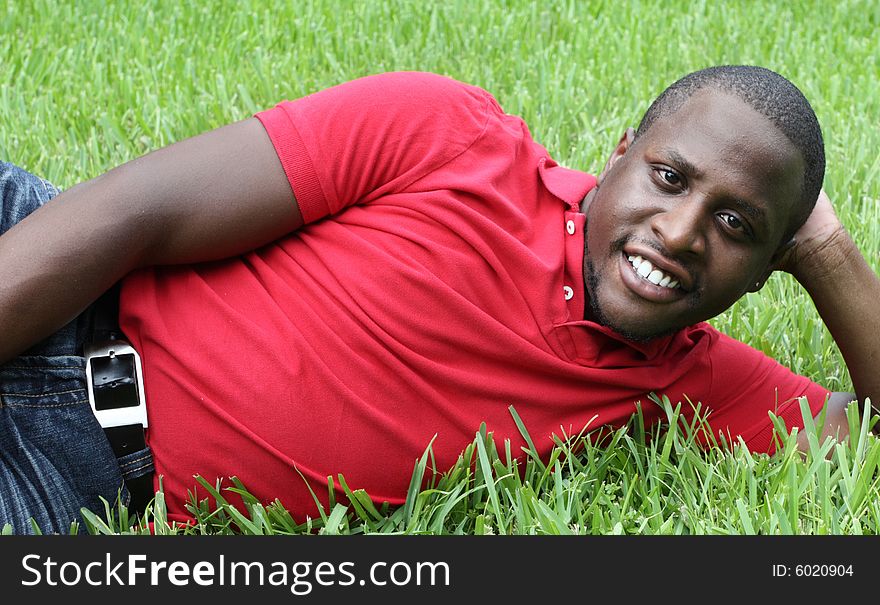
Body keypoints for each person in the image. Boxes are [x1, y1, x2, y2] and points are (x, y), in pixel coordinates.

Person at [0, 65, 874, 535]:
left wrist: (830, 251)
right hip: (57, 265)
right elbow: (132, 211)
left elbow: (865, 430)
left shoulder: (690, 382)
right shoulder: (446, 137)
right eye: (670, 177)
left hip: (65, 469)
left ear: (768, 268)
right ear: (619, 153)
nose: (682, 232)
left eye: (735, 224)